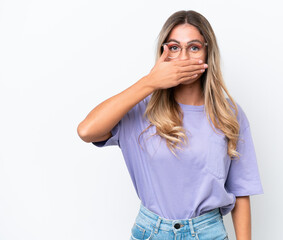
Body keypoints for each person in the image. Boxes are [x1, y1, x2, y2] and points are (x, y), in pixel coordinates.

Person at [77, 10, 264, 240]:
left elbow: (241, 191)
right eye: (174, 47)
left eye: (194, 47)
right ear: (162, 55)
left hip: (208, 233)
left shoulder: (229, 114)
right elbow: (86, 131)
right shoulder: (140, 109)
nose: (183, 57)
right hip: (150, 232)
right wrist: (149, 82)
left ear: (207, 53)